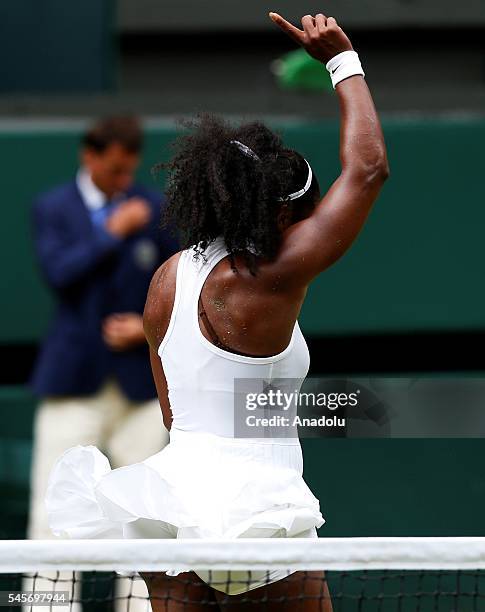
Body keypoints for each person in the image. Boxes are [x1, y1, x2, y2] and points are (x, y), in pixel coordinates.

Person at [45, 12, 389, 612]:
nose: (311, 227)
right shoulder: (265, 282)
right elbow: (366, 171)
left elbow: (179, 411)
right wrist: (343, 60)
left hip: (172, 510)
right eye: (305, 216)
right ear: (278, 217)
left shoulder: (167, 278)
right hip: (255, 517)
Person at [27, 116, 178, 612]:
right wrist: (111, 233)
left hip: (139, 387)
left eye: (128, 170)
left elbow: (178, 286)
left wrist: (145, 327)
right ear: (89, 156)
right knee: (53, 512)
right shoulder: (53, 209)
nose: (122, 181)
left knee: (145, 516)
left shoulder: (154, 210)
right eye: (113, 170)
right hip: (74, 383)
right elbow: (59, 273)